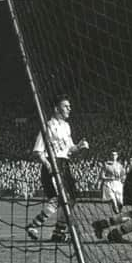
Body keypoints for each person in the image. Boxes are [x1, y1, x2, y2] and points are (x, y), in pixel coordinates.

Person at [25, 94, 89, 242]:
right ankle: (33, 225)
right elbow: (38, 150)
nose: (69, 108)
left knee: (72, 198)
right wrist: (48, 165)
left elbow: (70, 149)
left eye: (69, 106)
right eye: (66, 106)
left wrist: (79, 146)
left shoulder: (67, 126)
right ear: (56, 108)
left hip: (64, 163)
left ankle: (58, 233)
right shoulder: (48, 125)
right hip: (52, 162)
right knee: (58, 198)